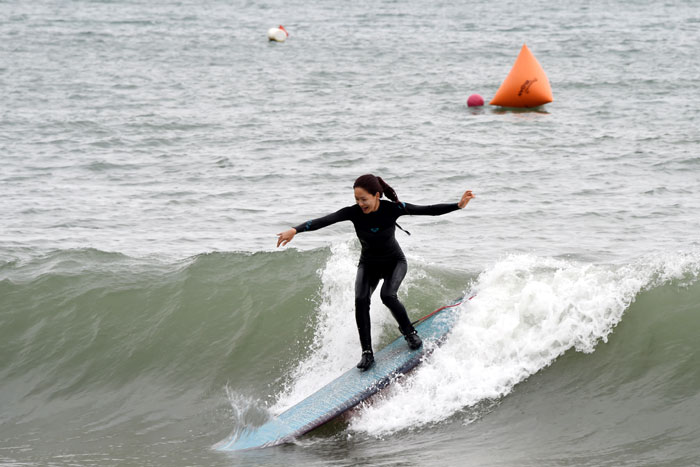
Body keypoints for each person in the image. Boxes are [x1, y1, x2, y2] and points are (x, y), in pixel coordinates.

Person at [276, 174, 475, 371]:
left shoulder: (393, 208)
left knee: (387, 295)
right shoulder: (352, 213)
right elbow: (324, 220)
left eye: (364, 199)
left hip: (394, 263)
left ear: (377, 195)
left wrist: (457, 205)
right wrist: (295, 230)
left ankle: (409, 332)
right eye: (357, 199)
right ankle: (367, 353)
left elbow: (428, 210)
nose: (360, 203)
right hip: (368, 265)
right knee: (361, 300)